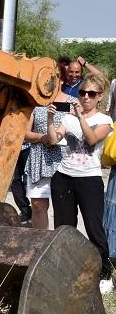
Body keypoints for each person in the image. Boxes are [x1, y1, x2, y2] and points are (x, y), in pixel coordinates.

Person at [45, 75, 114, 293]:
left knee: (94, 228)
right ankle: (66, 269)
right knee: (64, 228)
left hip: (90, 179)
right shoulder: (67, 118)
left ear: (99, 97)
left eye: (91, 94)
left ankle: (105, 273)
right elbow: (53, 140)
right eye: (82, 93)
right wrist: (49, 121)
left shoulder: (105, 120)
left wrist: (80, 116)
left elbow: (92, 139)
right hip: (64, 176)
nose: (85, 97)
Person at [23, 91, 72, 230]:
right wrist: (42, 137)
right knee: (38, 206)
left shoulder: (72, 101)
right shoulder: (34, 101)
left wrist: (56, 138)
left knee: (63, 209)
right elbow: (24, 132)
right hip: (38, 159)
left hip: (63, 160)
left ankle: (61, 245)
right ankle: (40, 242)